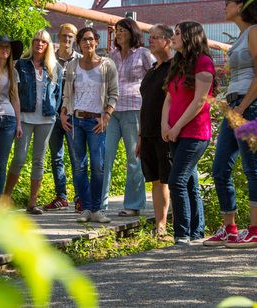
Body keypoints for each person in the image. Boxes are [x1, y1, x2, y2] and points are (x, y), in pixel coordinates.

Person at [204, 0, 257, 248]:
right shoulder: (241, 37)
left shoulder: (255, 32)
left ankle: (255, 230)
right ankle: (230, 229)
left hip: (250, 107)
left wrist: (242, 107)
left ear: (242, 6)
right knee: (220, 169)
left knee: (252, 167)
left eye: (229, 2)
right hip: (235, 106)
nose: (225, 5)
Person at [162, 21, 216, 245]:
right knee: (190, 182)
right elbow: (169, 98)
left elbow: (200, 102)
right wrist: (164, 125)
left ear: (189, 37)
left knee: (177, 181)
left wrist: (176, 127)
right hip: (175, 132)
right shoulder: (178, 62)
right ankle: (196, 233)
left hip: (195, 132)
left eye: (177, 34)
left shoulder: (204, 63)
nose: (172, 38)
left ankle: (181, 234)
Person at [61, 27, 118, 224]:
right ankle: (84, 208)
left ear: (96, 41)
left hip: (96, 122)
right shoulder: (72, 66)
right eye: (84, 40)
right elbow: (67, 94)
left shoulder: (107, 65)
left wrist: (106, 117)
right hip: (75, 121)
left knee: (98, 166)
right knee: (78, 167)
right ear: (79, 43)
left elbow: (113, 94)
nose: (87, 43)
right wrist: (63, 113)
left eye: (91, 39)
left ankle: (96, 209)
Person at [4, 29, 63, 214]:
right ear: (32, 43)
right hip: (25, 118)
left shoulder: (55, 68)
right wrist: (17, 119)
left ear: (48, 46)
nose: (39, 44)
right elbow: (14, 92)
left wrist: (54, 110)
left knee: (39, 160)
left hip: (46, 119)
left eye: (43, 41)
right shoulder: (20, 64)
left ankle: (32, 203)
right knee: (19, 158)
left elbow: (58, 95)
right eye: (37, 40)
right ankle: (5, 199)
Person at [101, 18, 152, 216]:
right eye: (117, 31)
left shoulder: (143, 54)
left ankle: (133, 204)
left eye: (122, 30)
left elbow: (157, 77)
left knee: (134, 158)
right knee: (105, 156)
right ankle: (100, 203)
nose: (119, 33)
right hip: (112, 111)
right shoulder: (111, 56)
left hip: (134, 110)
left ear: (132, 32)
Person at [136, 24, 174, 238]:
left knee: (170, 179)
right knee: (156, 180)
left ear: (168, 41)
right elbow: (145, 104)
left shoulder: (175, 67)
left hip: (166, 132)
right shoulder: (152, 71)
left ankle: (179, 225)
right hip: (148, 132)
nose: (150, 41)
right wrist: (140, 135)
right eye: (149, 37)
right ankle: (160, 226)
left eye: (155, 37)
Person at [42, 23, 82, 211]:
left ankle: (80, 196)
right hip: (54, 115)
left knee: (77, 157)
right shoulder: (50, 60)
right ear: (58, 36)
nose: (67, 40)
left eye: (70, 37)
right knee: (56, 157)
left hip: (73, 116)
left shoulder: (81, 60)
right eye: (64, 36)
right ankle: (61, 196)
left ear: (75, 39)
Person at [0, 34, 24, 195]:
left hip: (9, 119)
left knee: (1, 164)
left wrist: (19, 123)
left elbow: (15, 97)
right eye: (2, 46)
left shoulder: (13, 71)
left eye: (8, 47)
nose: (5, 50)